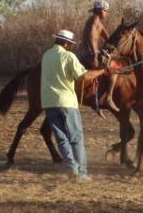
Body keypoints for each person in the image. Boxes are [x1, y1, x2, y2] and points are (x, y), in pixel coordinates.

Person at [42, 29, 106, 181]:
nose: (70, 46)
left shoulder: (46, 55)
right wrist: (103, 70)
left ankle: (72, 168)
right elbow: (84, 76)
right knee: (76, 137)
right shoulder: (68, 56)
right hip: (67, 102)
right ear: (66, 43)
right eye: (70, 44)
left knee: (61, 138)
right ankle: (81, 173)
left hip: (49, 102)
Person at [80, 0, 119, 113]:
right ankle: (109, 97)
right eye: (106, 11)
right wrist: (96, 56)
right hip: (90, 54)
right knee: (114, 67)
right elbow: (92, 39)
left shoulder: (99, 23)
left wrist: (114, 48)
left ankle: (98, 98)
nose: (106, 13)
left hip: (94, 52)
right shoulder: (94, 20)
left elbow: (109, 39)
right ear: (100, 10)